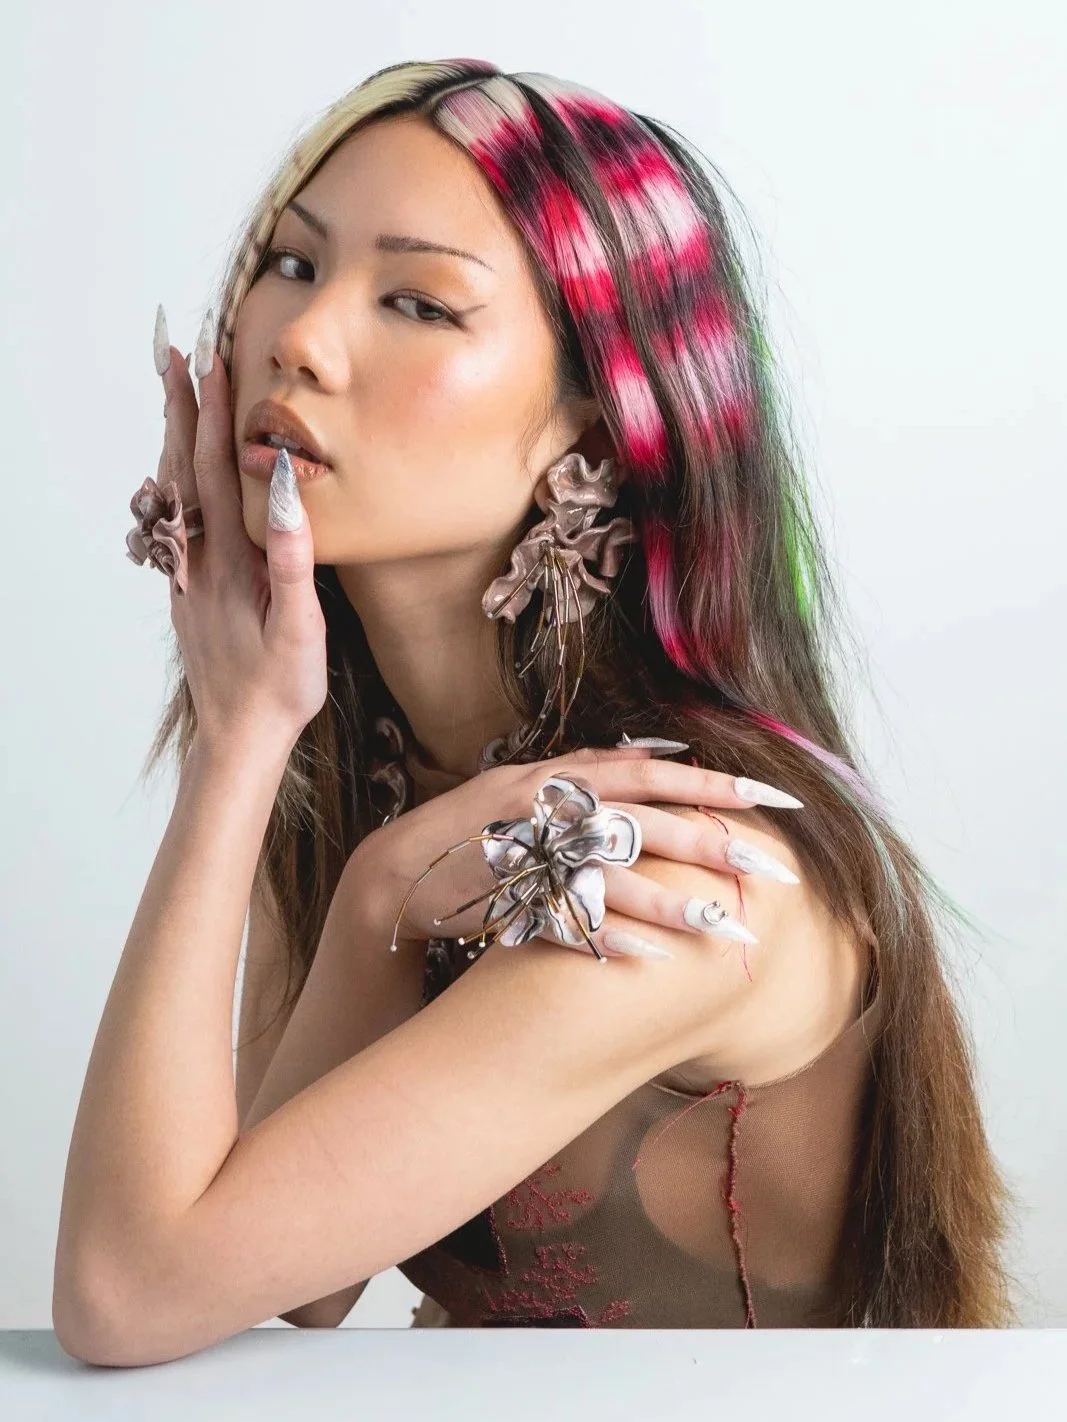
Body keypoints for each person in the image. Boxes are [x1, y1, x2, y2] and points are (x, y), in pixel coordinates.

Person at [54, 59, 1026, 1365]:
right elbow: (299, 1285)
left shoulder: (677, 862)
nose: (299, 337)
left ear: (594, 415)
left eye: (415, 300)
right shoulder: (371, 773)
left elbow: (132, 1290)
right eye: (288, 263)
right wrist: (350, 873)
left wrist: (244, 754)